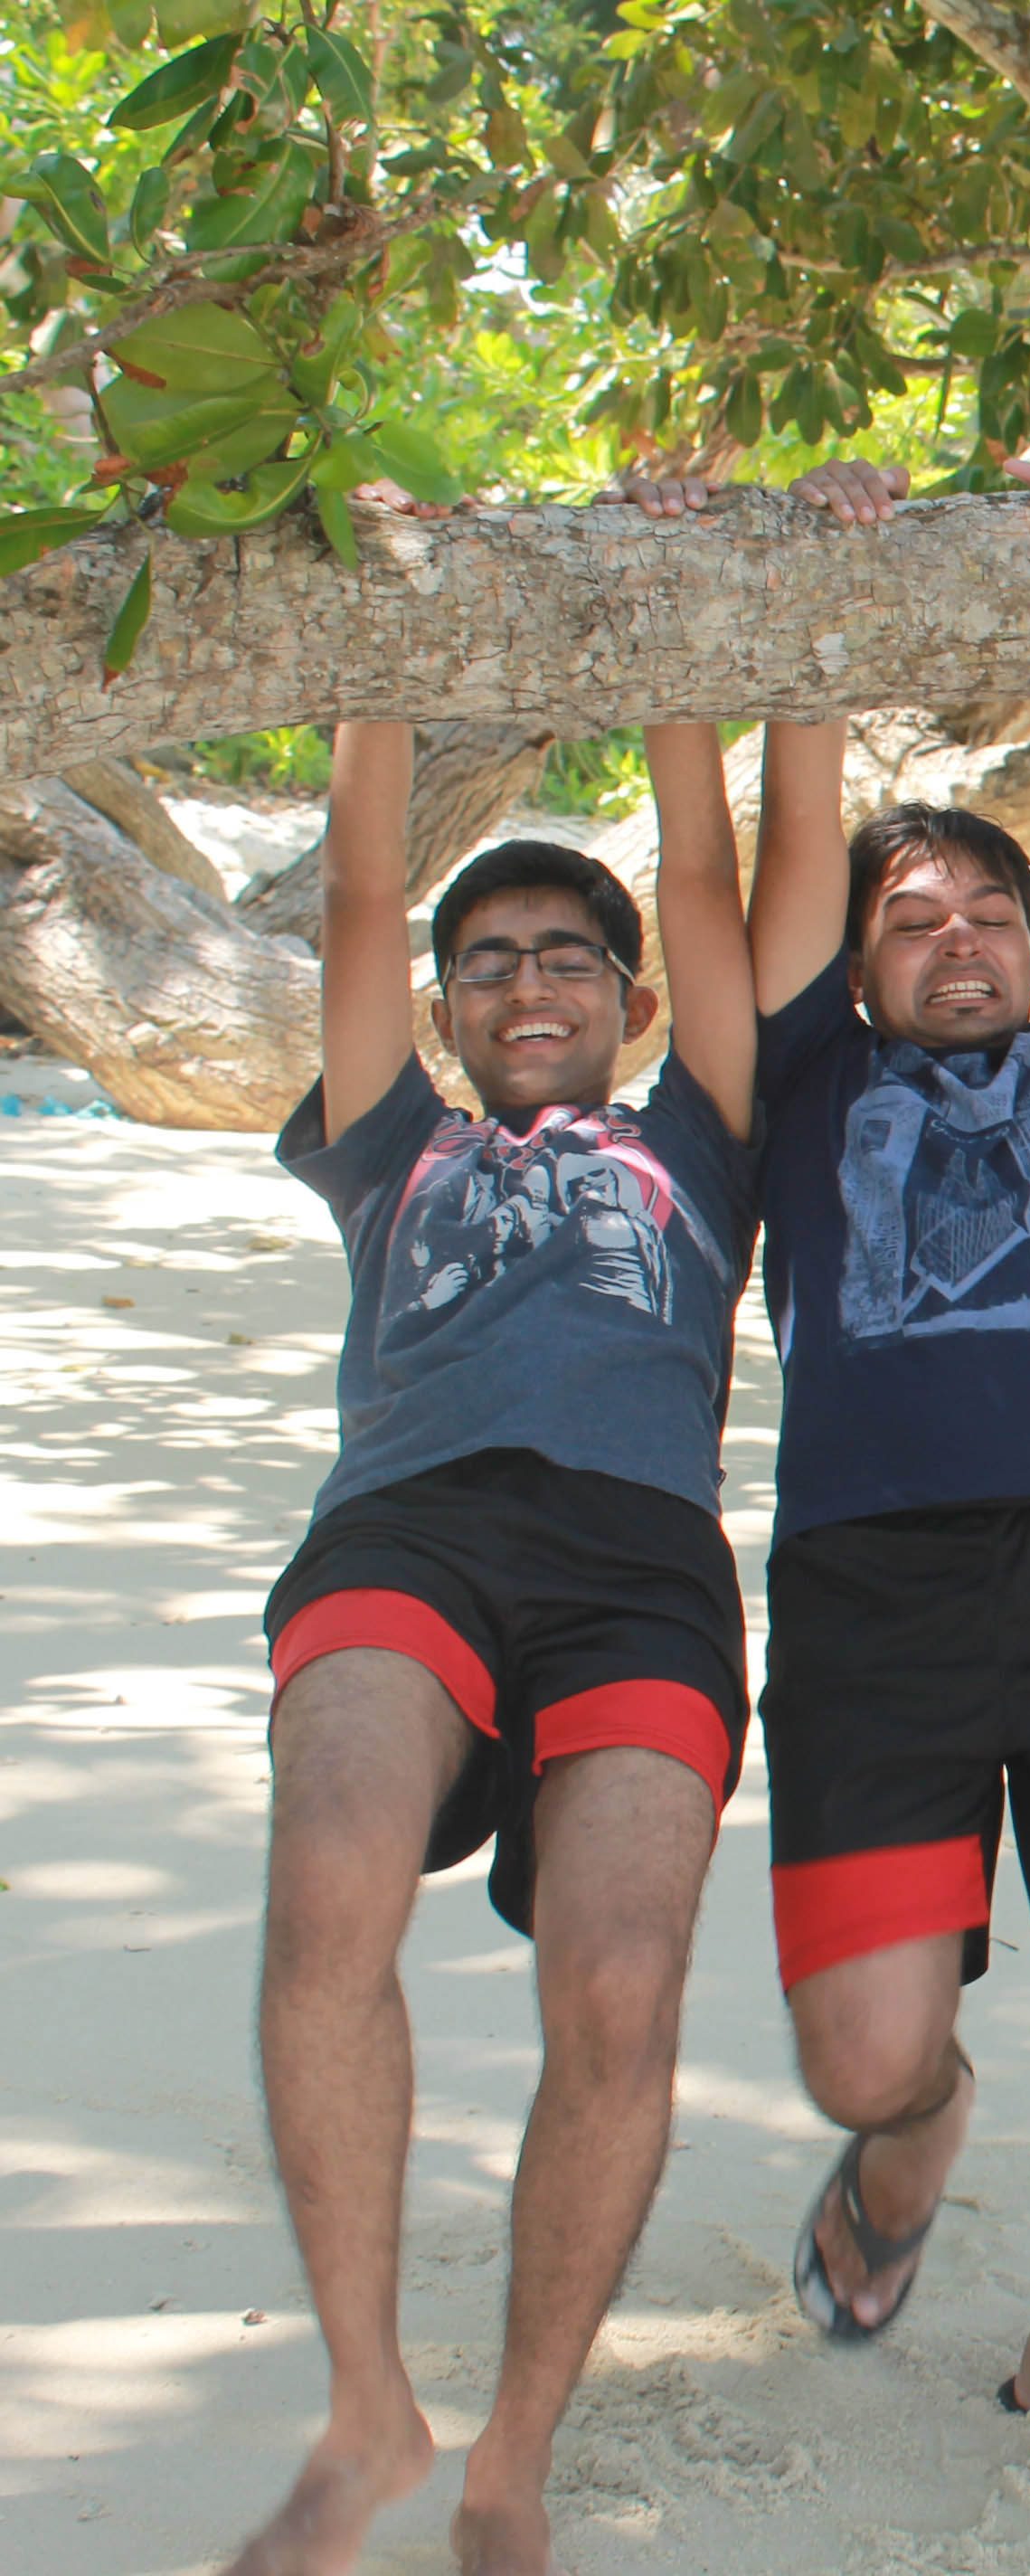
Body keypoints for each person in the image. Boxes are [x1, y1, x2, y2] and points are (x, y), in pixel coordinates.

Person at [619, 449, 1030, 2467]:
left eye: (996, 905)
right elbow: (758, 835)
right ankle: (914, 2146)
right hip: (873, 1588)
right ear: (866, 959)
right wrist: (808, 557)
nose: (963, 935)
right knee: (867, 2051)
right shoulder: (801, 1069)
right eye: (919, 916)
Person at [232, 706, 757, 2576]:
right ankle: (368, 2403)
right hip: (410, 1531)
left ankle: (512, 2447)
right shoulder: (394, 1144)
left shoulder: (702, 1128)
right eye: (486, 964)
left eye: (563, 958)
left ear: (623, 997)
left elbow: (710, 878)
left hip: (639, 1563)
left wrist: (682, 666)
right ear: (446, 1010)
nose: (522, 982)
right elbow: (362, 887)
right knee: (330, 1882)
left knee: (619, 1983)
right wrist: (378, 668)